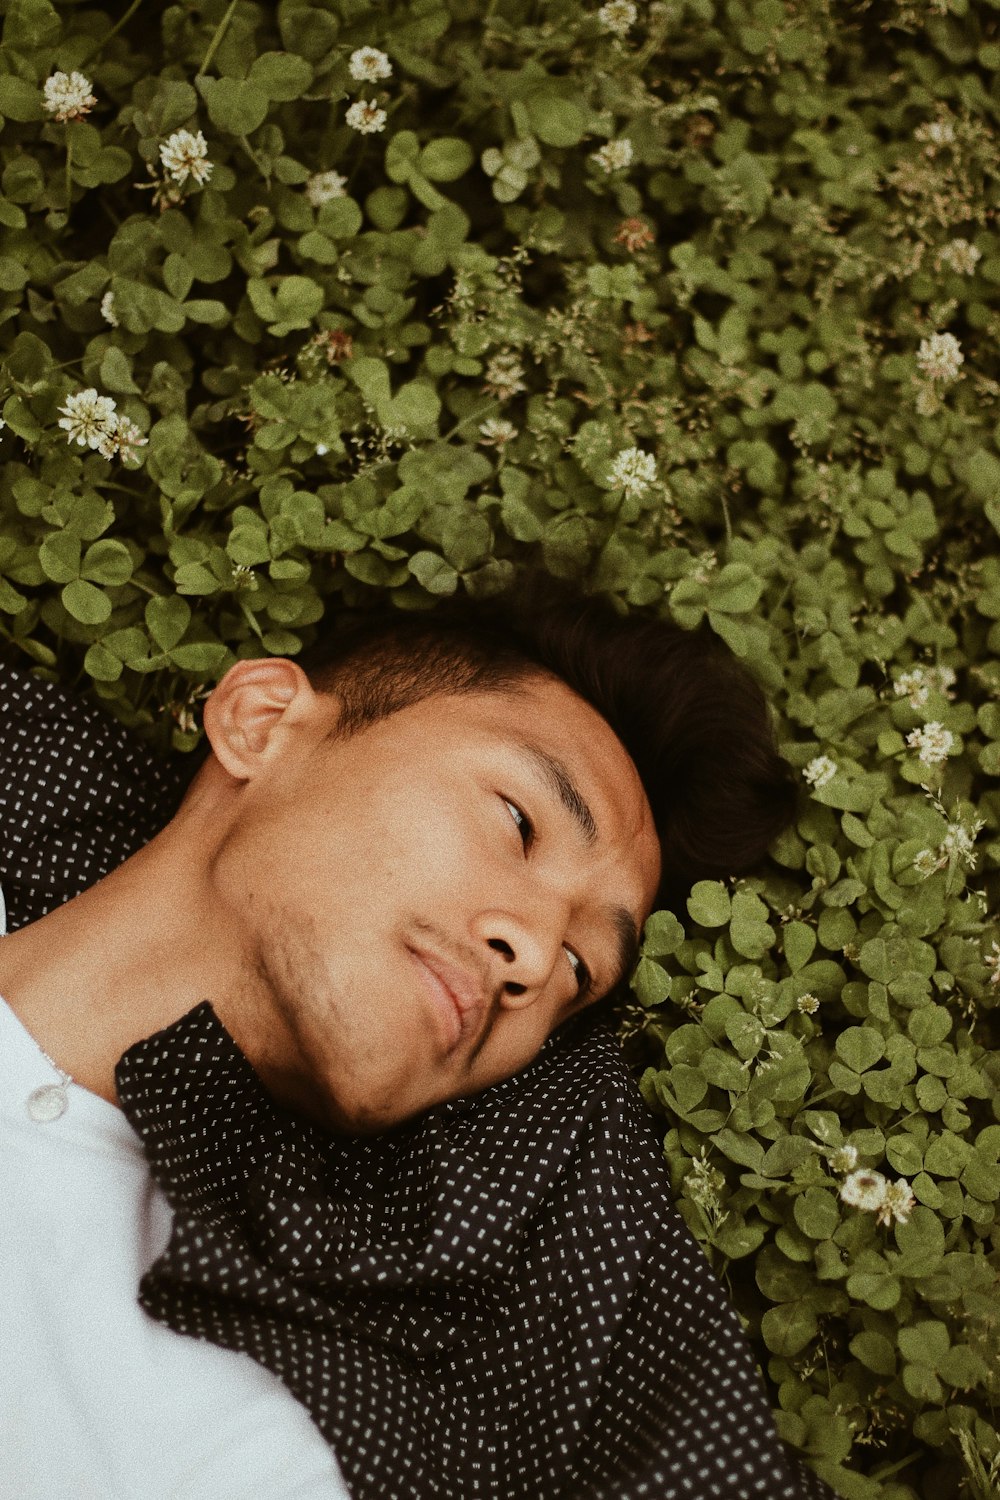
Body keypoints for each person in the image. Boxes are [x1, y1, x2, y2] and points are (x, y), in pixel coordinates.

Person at [0, 583, 831, 1499]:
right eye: (518, 821)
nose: (529, 956)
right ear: (263, 720)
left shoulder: (296, 1428)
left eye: (578, 970)